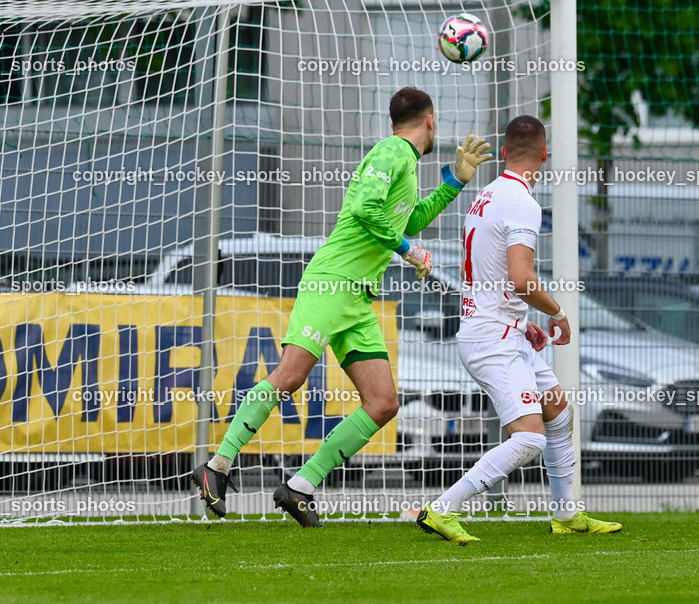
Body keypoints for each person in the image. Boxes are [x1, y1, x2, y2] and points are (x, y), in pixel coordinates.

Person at [191, 86, 493, 526]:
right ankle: (217, 466)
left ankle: (300, 487)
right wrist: (410, 251)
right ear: (430, 120)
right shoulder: (391, 152)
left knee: (383, 402)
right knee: (290, 376)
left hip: (356, 296)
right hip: (332, 281)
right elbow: (367, 212)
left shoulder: (405, 164)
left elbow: (407, 221)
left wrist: (454, 182)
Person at [417, 114, 622, 544]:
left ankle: (567, 514)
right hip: (492, 339)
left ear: (505, 153)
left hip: (498, 328)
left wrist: (523, 320)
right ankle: (443, 507)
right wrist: (557, 313)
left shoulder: (485, 194)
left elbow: (491, 272)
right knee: (529, 438)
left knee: (559, 413)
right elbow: (521, 279)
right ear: (544, 156)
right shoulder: (524, 203)